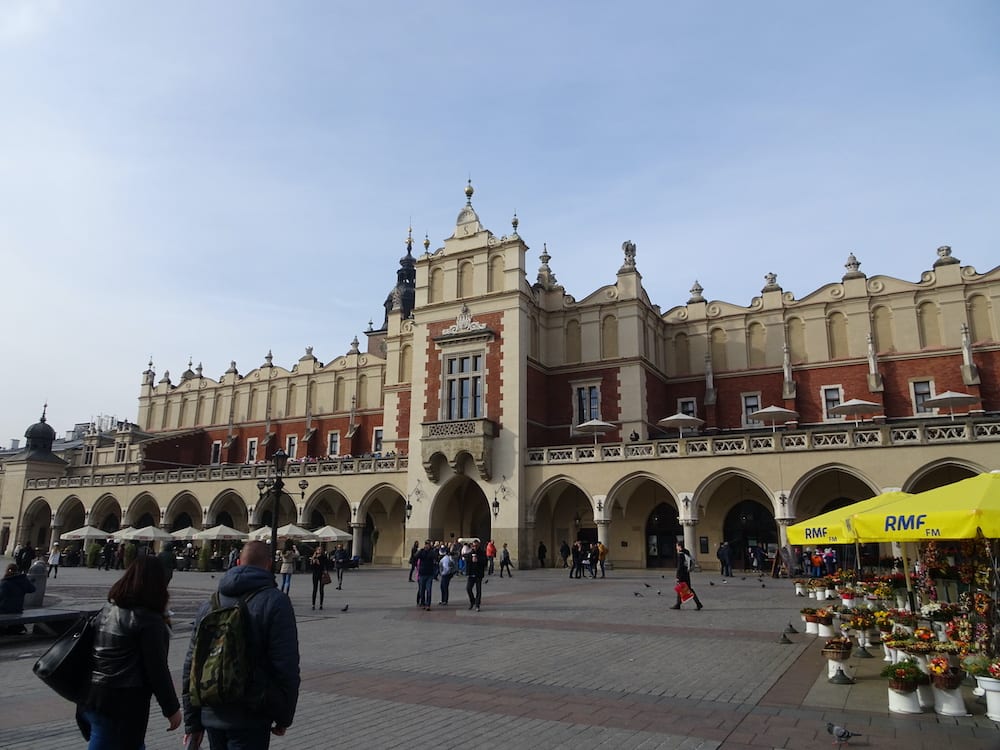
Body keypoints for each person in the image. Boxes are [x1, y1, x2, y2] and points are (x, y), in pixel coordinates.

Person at [182, 540, 300, 750]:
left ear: (237, 562)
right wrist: (284, 716)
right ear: (269, 565)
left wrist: (192, 722)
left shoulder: (211, 603)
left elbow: (192, 664)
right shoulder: (276, 602)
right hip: (251, 713)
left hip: (211, 708)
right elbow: (286, 665)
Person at [77, 555, 182, 749]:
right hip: (122, 704)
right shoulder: (149, 620)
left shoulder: (108, 609)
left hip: (91, 697)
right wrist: (171, 708)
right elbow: (157, 669)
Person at [670, 541, 703, 610]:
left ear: (679, 546)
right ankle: (678, 604)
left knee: (685, 589)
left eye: (677, 546)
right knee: (684, 589)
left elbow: (679, 567)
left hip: (682, 575)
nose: (676, 548)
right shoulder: (686, 552)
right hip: (686, 573)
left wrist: (677, 577)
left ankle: (698, 603)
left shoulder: (681, 554)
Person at [464, 539, 487, 611]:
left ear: (479, 545)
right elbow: (466, 558)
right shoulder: (471, 552)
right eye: (473, 546)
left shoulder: (482, 553)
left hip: (478, 574)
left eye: (476, 546)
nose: (475, 547)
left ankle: (477, 605)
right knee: (468, 588)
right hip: (471, 574)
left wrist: (478, 559)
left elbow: (485, 562)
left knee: (478, 590)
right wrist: (471, 558)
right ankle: (472, 601)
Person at [414, 540, 437, 611]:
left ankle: (428, 605)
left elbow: (435, 557)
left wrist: (429, 550)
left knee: (429, 590)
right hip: (422, 574)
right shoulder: (421, 551)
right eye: (426, 544)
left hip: (429, 574)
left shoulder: (432, 552)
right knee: (422, 590)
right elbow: (415, 556)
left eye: (428, 544)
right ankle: (423, 603)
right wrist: (422, 550)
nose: (427, 545)